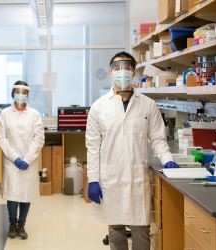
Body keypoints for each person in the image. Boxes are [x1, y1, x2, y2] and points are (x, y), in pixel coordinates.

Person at [85, 52, 179, 250]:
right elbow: (92, 146)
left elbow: (158, 139)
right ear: (111, 72)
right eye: (117, 67)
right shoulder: (98, 107)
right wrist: (93, 178)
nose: (122, 72)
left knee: (141, 230)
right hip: (111, 177)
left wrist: (168, 159)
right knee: (116, 229)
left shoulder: (148, 105)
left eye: (127, 67)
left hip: (138, 176)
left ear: (134, 72)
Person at [0, 80, 45, 240]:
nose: (21, 95)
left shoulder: (34, 114)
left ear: (28, 95)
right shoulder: (5, 113)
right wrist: (15, 158)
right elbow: (1, 138)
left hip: (29, 162)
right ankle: (12, 223)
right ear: (13, 93)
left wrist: (28, 158)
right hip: (12, 162)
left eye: (24, 92)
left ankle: (22, 224)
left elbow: (39, 139)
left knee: (26, 194)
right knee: (13, 193)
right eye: (18, 91)